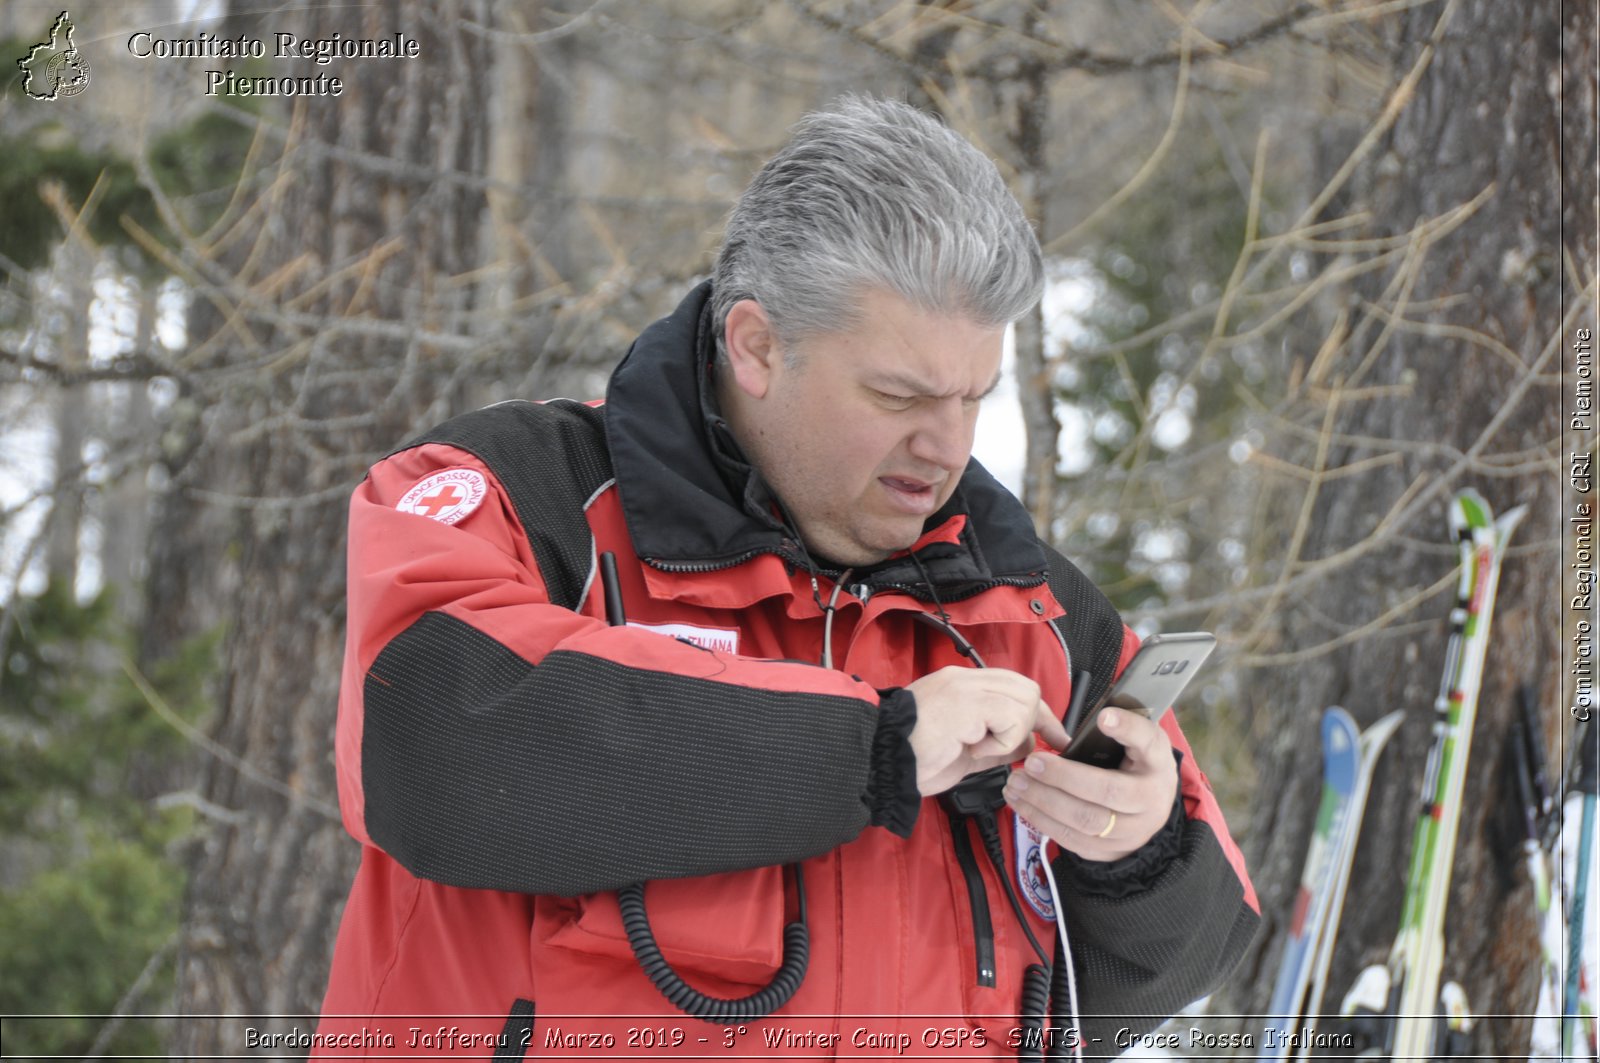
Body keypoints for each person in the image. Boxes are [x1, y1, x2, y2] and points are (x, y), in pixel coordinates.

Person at [314, 96, 1258, 1059]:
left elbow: (1153, 978)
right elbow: (430, 736)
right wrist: (868, 749)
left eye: (975, 396)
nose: (947, 446)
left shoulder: (1033, 609)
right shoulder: (521, 498)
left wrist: (1135, 855)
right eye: (898, 395)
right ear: (758, 346)